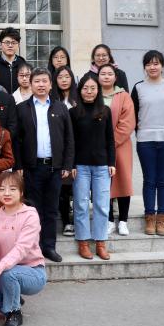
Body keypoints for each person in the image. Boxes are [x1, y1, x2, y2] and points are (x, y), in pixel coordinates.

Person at [14, 67, 74, 263]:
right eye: (37, 81)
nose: (41, 85)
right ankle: (34, 247)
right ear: (30, 84)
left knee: (51, 209)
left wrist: (67, 165)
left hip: (54, 168)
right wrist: (19, 165)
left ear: (50, 84)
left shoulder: (60, 108)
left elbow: (69, 139)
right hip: (32, 168)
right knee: (33, 209)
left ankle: (49, 247)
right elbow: (17, 140)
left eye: (44, 81)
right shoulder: (22, 108)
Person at [0, 171, 47, 326]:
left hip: (33, 272)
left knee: (9, 273)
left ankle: (13, 313)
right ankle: (13, 299)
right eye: (2, 189)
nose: (6, 193)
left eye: (12, 189)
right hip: (5, 271)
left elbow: (21, 248)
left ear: (21, 192)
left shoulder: (30, 215)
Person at [131, 50, 164, 236]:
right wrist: (143, 130)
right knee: (149, 180)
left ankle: (162, 219)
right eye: (148, 64)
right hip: (146, 140)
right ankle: (150, 218)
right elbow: (133, 114)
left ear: (162, 66)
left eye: (156, 63)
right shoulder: (138, 88)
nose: (152, 67)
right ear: (144, 67)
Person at [69, 74, 116, 260]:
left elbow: (110, 139)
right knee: (81, 204)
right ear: (80, 90)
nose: (89, 92)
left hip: (102, 167)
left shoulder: (105, 111)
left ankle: (100, 243)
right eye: (85, 88)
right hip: (80, 167)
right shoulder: (73, 113)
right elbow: (71, 141)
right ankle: (83, 242)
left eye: (93, 88)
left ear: (98, 90)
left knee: (102, 205)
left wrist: (112, 163)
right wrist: (72, 164)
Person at [98, 64, 136, 236]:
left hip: (120, 145)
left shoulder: (124, 96)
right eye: (103, 73)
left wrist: (110, 142)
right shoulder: (93, 94)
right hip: (99, 147)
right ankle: (108, 220)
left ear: (115, 77)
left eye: (109, 74)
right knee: (104, 183)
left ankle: (123, 221)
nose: (106, 76)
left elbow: (128, 123)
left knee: (123, 180)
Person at [53, 65, 78, 237]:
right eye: (60, 77)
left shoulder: (78, 98)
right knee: (63, 188)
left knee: (77, 190)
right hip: (60, 148)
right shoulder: (53, 100)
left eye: (67, 77)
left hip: (78, 146)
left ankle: (77, 220)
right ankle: (66, 222)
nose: (63, 80)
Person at [0, 27, 26, 94]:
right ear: (0, 45)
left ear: (18, 45)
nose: (10, 45)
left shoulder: (24, 65)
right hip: (1, 100)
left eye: (13, 43)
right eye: (7, 42)